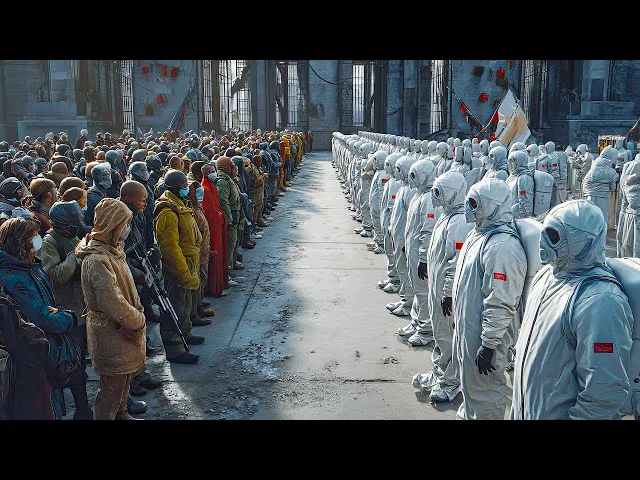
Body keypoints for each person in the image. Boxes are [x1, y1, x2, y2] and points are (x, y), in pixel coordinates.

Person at [510, 199, 633, 419]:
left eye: (553, 236)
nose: (543, 243)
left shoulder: (601, 302)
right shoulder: (547, 276)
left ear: (584, 242)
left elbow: (604, 392)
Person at [452, 178, 527, 420]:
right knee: (472, 384)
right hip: (472, 328)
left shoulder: (503, 247)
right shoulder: (480, 235)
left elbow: (501, 300)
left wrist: (489, 344)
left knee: (487, 391)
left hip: (486, 336)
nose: (470, 209)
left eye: (476, 204)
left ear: (494, 206)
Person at [75, 198, 146, 420]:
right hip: (110, 330)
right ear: (112, 225)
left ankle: (122, 414)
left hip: (123, 327)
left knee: (123, 379)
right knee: (111, 388)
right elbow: (111, 301)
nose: (127, 228)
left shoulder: (112, 250)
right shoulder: (97, 259)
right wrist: (136, 319)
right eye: (124, 224)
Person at [0, 216, 77, 419]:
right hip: (31, 356)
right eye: (34, 236)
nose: (38, 240)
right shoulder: (17, 278)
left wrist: (55, 311)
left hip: (36, 354)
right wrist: (68, 317)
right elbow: (44, 319)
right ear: (22, 242)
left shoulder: (27, 267)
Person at [413, 171, 474, 401]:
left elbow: (455, 262)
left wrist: (448, 293)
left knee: (448, 336)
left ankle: (450, 382)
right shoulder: (446, 216)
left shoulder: (459, 222)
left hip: (445, 291)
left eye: (441, 192)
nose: (436, 196)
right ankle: (439, 372)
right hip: (437, 287)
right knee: (440, 334)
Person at [39, 201, 93, 419]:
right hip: (69, 312)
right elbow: (53, 276)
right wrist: (74, 256)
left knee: (86, 360)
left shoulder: (74, 235)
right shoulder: (49, 242)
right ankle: (82, 409)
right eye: (71, 225)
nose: (75, 228)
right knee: (74, 364)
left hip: (85, 307)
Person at [119, 180, 163, 398]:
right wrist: (137, 271)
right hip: (126, 281)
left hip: (138, 276)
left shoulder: (137, 216)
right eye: (142, 199)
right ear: (128, 199)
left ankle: (140, 372)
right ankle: (132, 380)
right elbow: (119, 255)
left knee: (140, 325)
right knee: (128, 333)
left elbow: (141, 243)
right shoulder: (119, 220)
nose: (145, 203)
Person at [154, 169, 203, 364]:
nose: (187, 189)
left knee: (185, 304)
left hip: (190, 261)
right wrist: (182, 272)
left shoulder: (180, 203)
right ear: (174, 188)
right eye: (184, 186)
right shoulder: (168, 211)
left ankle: (185, 334)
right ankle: (175, 349)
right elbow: (169, 247)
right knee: (175, 307)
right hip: (178, 265)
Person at [397, 159, 441, 345]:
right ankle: (416, 323)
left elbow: (428, 231)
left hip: (420, 254)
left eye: (415, 175)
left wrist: (423, 259)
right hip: (413, 251)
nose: (412, 179)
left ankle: (426, 330)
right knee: (417, 290)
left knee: (423, 292)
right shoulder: (419, 195)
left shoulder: (430, 199)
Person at [186, 179, 215, 322]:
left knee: (202, 279)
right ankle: (195, 311)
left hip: (203, 250)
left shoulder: (197, 207)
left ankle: (199, 304)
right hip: (196, 252)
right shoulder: (190, 210)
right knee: (197, 281)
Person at [201, 163, 230, 296]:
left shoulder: (211, 186)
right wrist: (221, 217)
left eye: (214, 170)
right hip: (213, 229)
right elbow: (211, 213)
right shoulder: (205, 189)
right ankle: (214, 288)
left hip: (217, 227)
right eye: (212, 171)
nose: (214, 173)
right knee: (215, 256)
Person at [214, 156, 241, 272]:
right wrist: (229, 219)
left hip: (235, 213)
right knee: (229, 244)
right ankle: (227, 272)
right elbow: (223, 201)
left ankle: (233, 263)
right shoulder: (222, 181)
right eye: (231, 165)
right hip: (230, 215)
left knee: (234, 241)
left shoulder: (229, 179)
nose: (234, 167)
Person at [582, 145, 619, 222]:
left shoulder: (594, 166)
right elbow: (613, 187)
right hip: (603, 195)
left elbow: (586, 180)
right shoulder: (612, 172)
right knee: (602, 217)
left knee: (590, 216)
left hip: (589, 193)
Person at [616, 153, 640, 257]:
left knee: (629, 246)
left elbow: (624, 198)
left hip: (628, 214)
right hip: (635, 216)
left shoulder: (628, 167)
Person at [506, 149, 535, 219]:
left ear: (521, 161)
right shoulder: (512, 177)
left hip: (518, 217)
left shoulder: (524, 178)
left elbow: (526, 201)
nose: (512, 164)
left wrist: (523, 219)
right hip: (510, 215)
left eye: (514, 161)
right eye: (510, 161)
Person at [85, 162, 112, 227]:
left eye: (108, 175)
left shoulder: (100, 191)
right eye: (104, 176)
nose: (108, 178)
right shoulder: (95, 197)